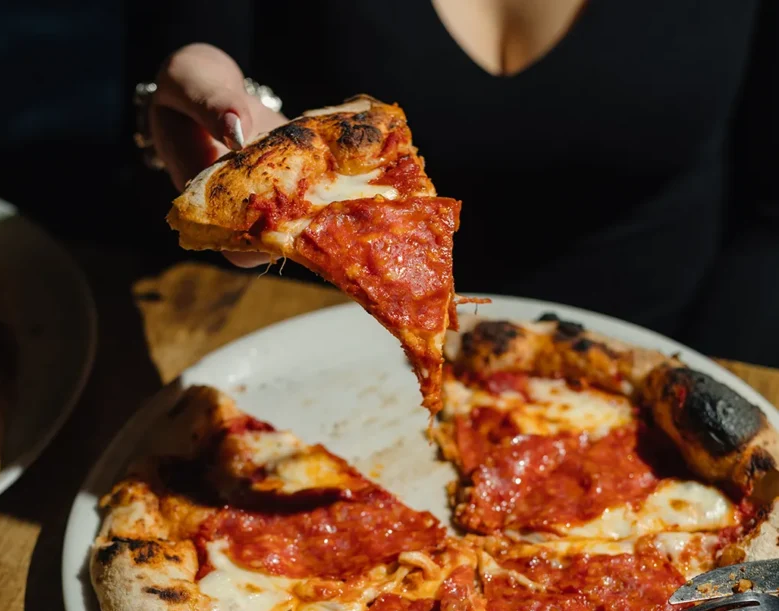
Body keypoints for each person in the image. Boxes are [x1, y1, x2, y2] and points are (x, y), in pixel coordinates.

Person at [139, 0, 779, 364]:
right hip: (306, 338)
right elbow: (186, 53)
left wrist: (714, 376)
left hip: (657, 343)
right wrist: (199, 117)